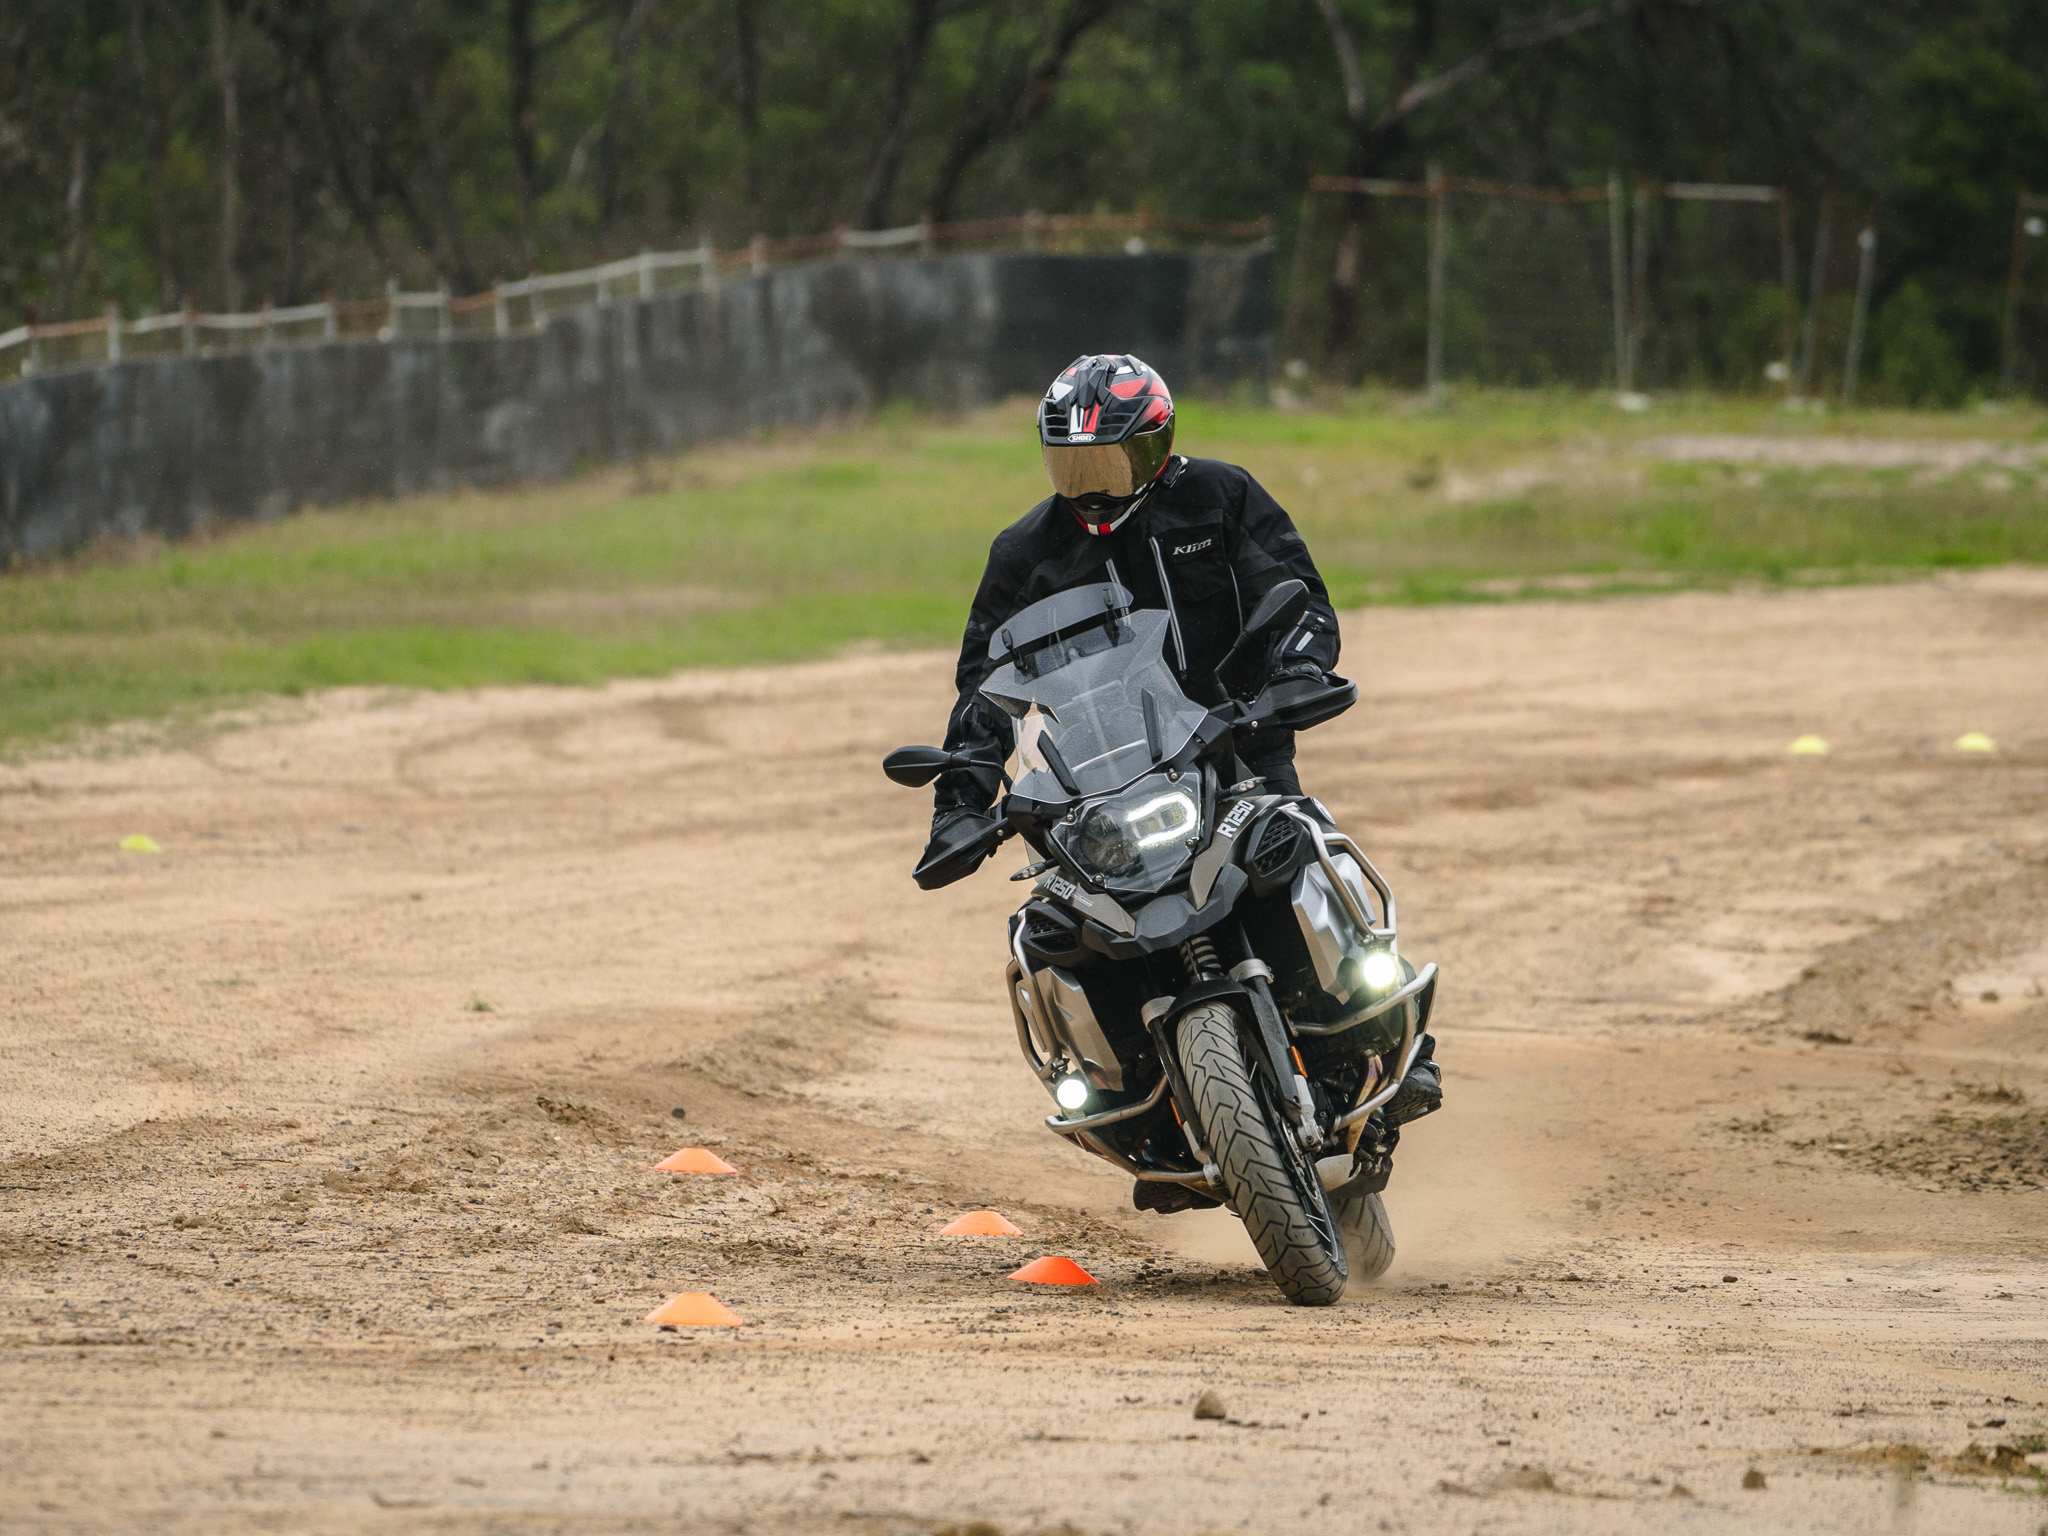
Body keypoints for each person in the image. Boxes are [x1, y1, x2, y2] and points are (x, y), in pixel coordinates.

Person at [916, 352, 1440, 1133]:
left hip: (1235, 738)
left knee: (1295, 843)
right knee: (1057, 927)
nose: (1092, 484)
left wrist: (1297, 669)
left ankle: (1384, 1024)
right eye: (1073, 464)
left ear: (1157, 446)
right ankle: (1124, 1098)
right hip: (1096, 782)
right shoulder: (1024, 553)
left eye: (1111, 460)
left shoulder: (1219, 496)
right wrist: (961, 802)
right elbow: (983, 691)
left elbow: (1296, 594)